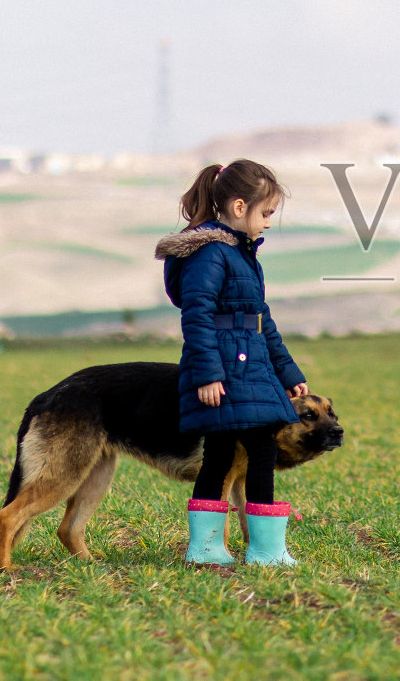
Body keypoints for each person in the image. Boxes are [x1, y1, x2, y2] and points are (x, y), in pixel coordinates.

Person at [154, 160, 309, 566]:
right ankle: (260, 550)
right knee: (247, 452)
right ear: (239, 207)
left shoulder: (243, 256)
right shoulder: (211, 255)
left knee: (231, 453)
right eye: (266, 213)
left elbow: (263, 321)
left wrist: (288, 373)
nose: (269, 222)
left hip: (250, 367)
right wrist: (207, 374)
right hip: (225, 371)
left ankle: (216, 549)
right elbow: (197, 314)